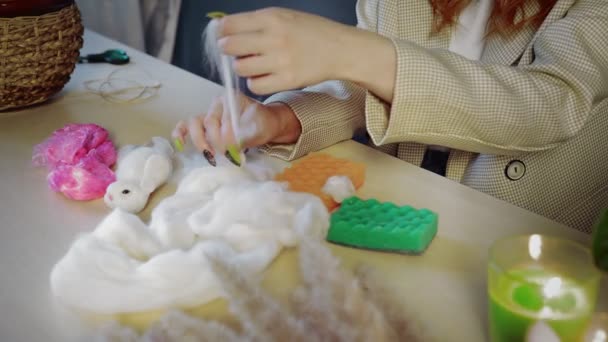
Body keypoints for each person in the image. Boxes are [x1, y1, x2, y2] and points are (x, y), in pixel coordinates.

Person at [173, 0, 608, 233]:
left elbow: (548, 105)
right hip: (412, 207)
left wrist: (350, 50)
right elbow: (369, 88)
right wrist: (280, 119)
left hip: (526, 235)